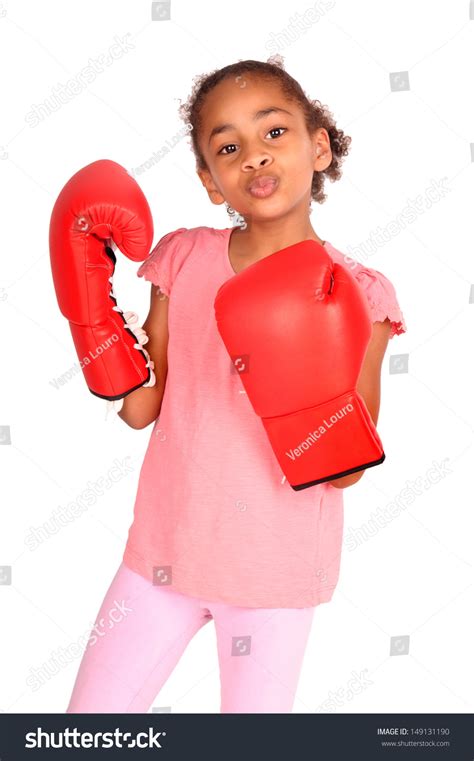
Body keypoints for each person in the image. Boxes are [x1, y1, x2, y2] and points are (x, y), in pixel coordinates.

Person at [66, 54, 407, 714]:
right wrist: (95, 324)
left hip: (273, 574)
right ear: (211, 180)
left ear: (318, 145)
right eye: (229, 146)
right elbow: (142, 408)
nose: (254, 156)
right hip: (160, 554)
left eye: (274, 132)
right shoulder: (187, 258)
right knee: (85, 730)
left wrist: (307, 361)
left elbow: (346, 472)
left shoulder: (361, 293)